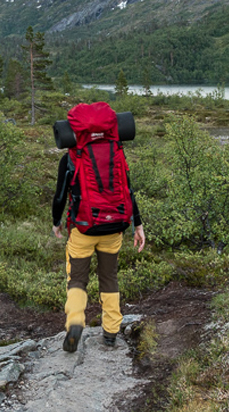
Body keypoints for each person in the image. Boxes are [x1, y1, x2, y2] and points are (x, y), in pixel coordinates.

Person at [51, 102, 145, 352]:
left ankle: (74, 323)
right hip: (115, 227)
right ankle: (111, 332)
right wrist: (138, 223)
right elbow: (128, 190)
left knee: (78, 280)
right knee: (109, 278)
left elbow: (60, 196)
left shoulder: (71, 157)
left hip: (83, 229)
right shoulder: (116, 151)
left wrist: (56, 222)